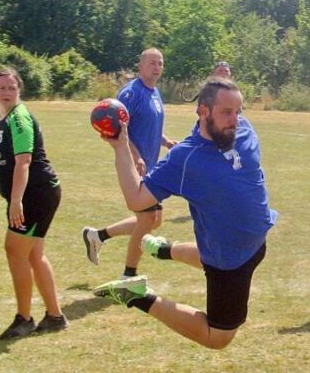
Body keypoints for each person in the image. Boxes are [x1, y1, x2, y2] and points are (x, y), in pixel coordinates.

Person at [92, 78, 279, 348]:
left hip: (255, 242)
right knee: (217, 337)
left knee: (206, 256)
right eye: (227, 112)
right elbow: (137, 198)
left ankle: (163, 249)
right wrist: (121, 147)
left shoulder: (242, 128)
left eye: (238, 111)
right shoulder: (185, 158)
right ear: (203, 111)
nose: (235, 120)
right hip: (230, 261)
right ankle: (137, 295)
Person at [82, 49, 177, 276]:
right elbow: (118, 128)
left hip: (151, 165)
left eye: (160, 63)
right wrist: (135, 156)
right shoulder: (131, 93)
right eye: (152, 63)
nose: (157, 67)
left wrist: (164, 141)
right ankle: (128, 275)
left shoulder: (155, 92)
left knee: (154, 220)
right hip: (135, 165)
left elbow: (147, 125)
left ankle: (97, 236)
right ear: (140, 66)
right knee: (147, 219)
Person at [0, 67, 67, 340]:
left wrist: (16, 201)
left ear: (19, 90)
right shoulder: (2, 118)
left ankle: (24, 319)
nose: (7, 92)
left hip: (36, 194)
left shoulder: (19, 117)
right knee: (33, 254)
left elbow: (24, 162)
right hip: (33, 194)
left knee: (15, 250)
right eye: (1, 87)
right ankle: (55, 316)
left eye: (12, 88)